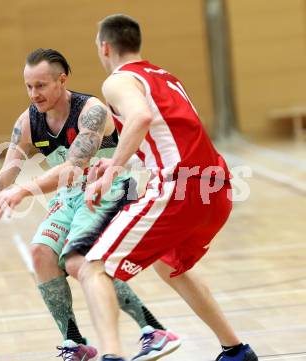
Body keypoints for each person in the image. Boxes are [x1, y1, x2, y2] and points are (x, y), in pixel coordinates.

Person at [0, 48, 181, 361]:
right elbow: (2, 180)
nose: (34, 94)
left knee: (81, 262)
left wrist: (25, 190)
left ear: (62, 80)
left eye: (41, 85)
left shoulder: (91, 111)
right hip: (72, 194)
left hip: (113, 187)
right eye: (29, 86)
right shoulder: (27, 122)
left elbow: (74, 166)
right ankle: (74, 343)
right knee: (41, 253)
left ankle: (153, 329)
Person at [75, 14, 259, 361]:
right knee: (170, 264)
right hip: (216, 189)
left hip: (182, 188)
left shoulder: (118, 80)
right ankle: (235, 350)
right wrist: (122, 161)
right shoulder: (164, 77)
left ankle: (111, 355)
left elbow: (141, 119)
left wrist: (112, 171)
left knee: (93, 267)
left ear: (105, 47)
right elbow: (163, 133)